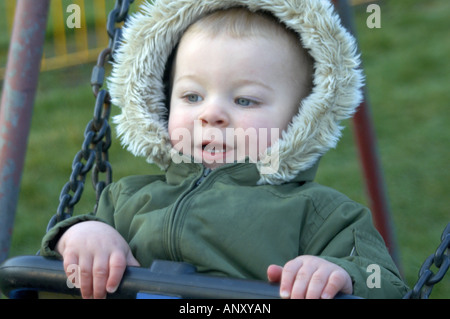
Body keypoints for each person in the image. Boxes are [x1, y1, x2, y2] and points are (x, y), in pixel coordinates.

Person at [41, 0, 408, 299]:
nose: (211, 113)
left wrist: (339, 274)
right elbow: (52, 275)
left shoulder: (323, 214)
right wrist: (80, 235)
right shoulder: (125, 199)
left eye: (245, 100)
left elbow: (386, 285)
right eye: (192, 96)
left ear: (304, 118)